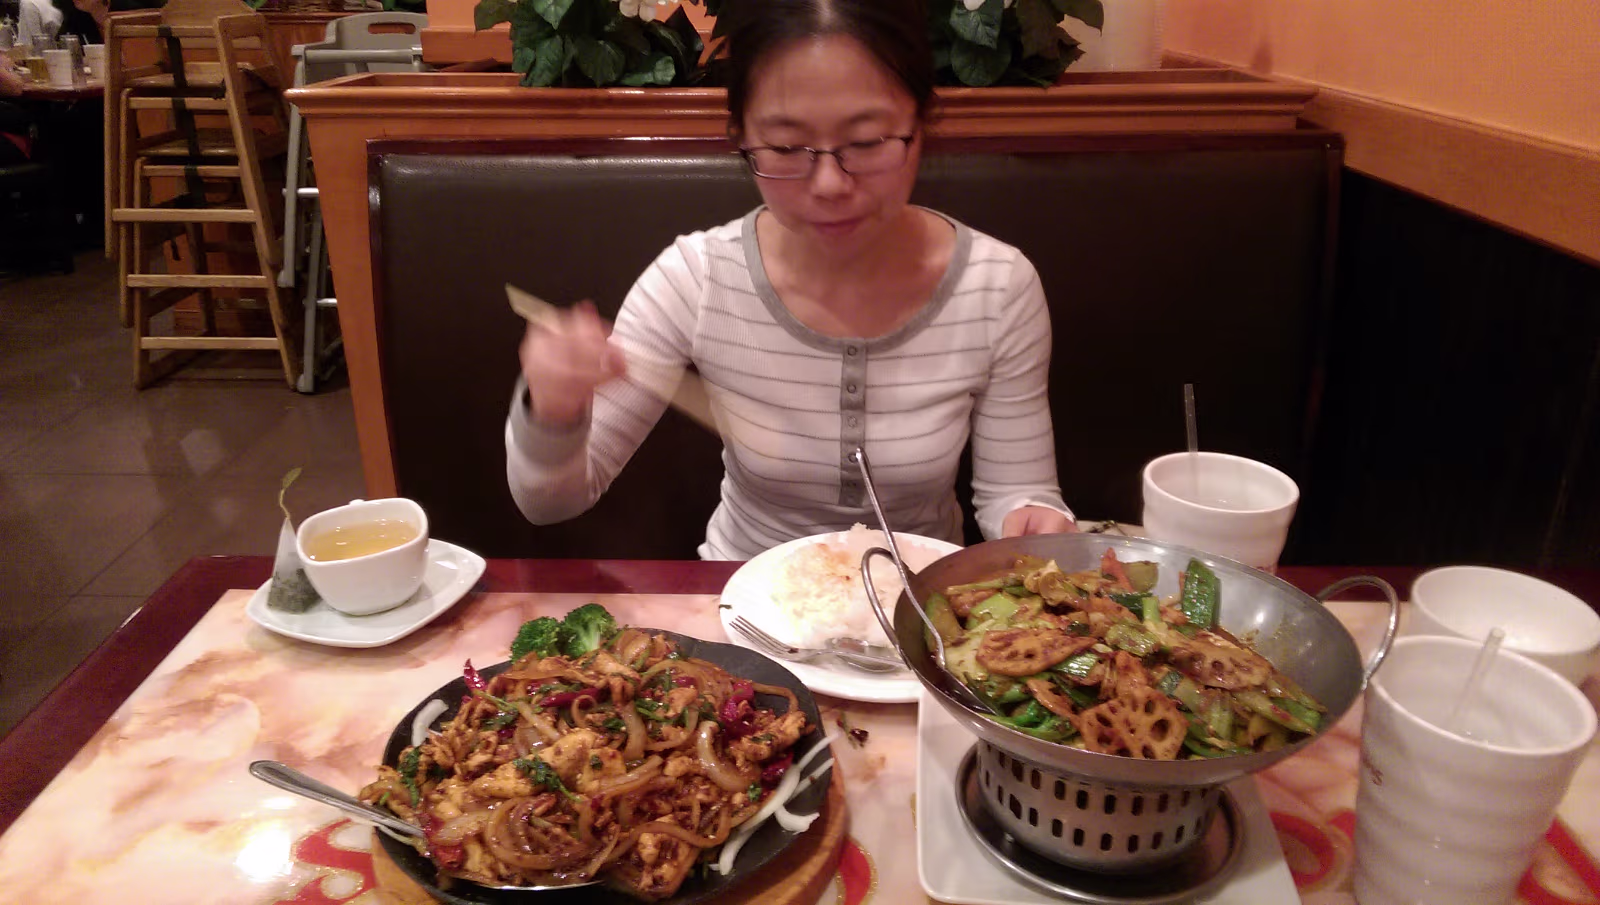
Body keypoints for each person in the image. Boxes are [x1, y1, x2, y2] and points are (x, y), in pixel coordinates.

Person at [506, 0, 1076, 560]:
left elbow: (1016, 492)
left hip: (920, 602)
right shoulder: (697, 279)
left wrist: (1030, 520)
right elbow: (549, 503)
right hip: (739, 600)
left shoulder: (997, 285)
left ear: (920, 125)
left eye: (868, 141)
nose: (828, 184)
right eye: (783, 147)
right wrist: (552, 409)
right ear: (740, 135)